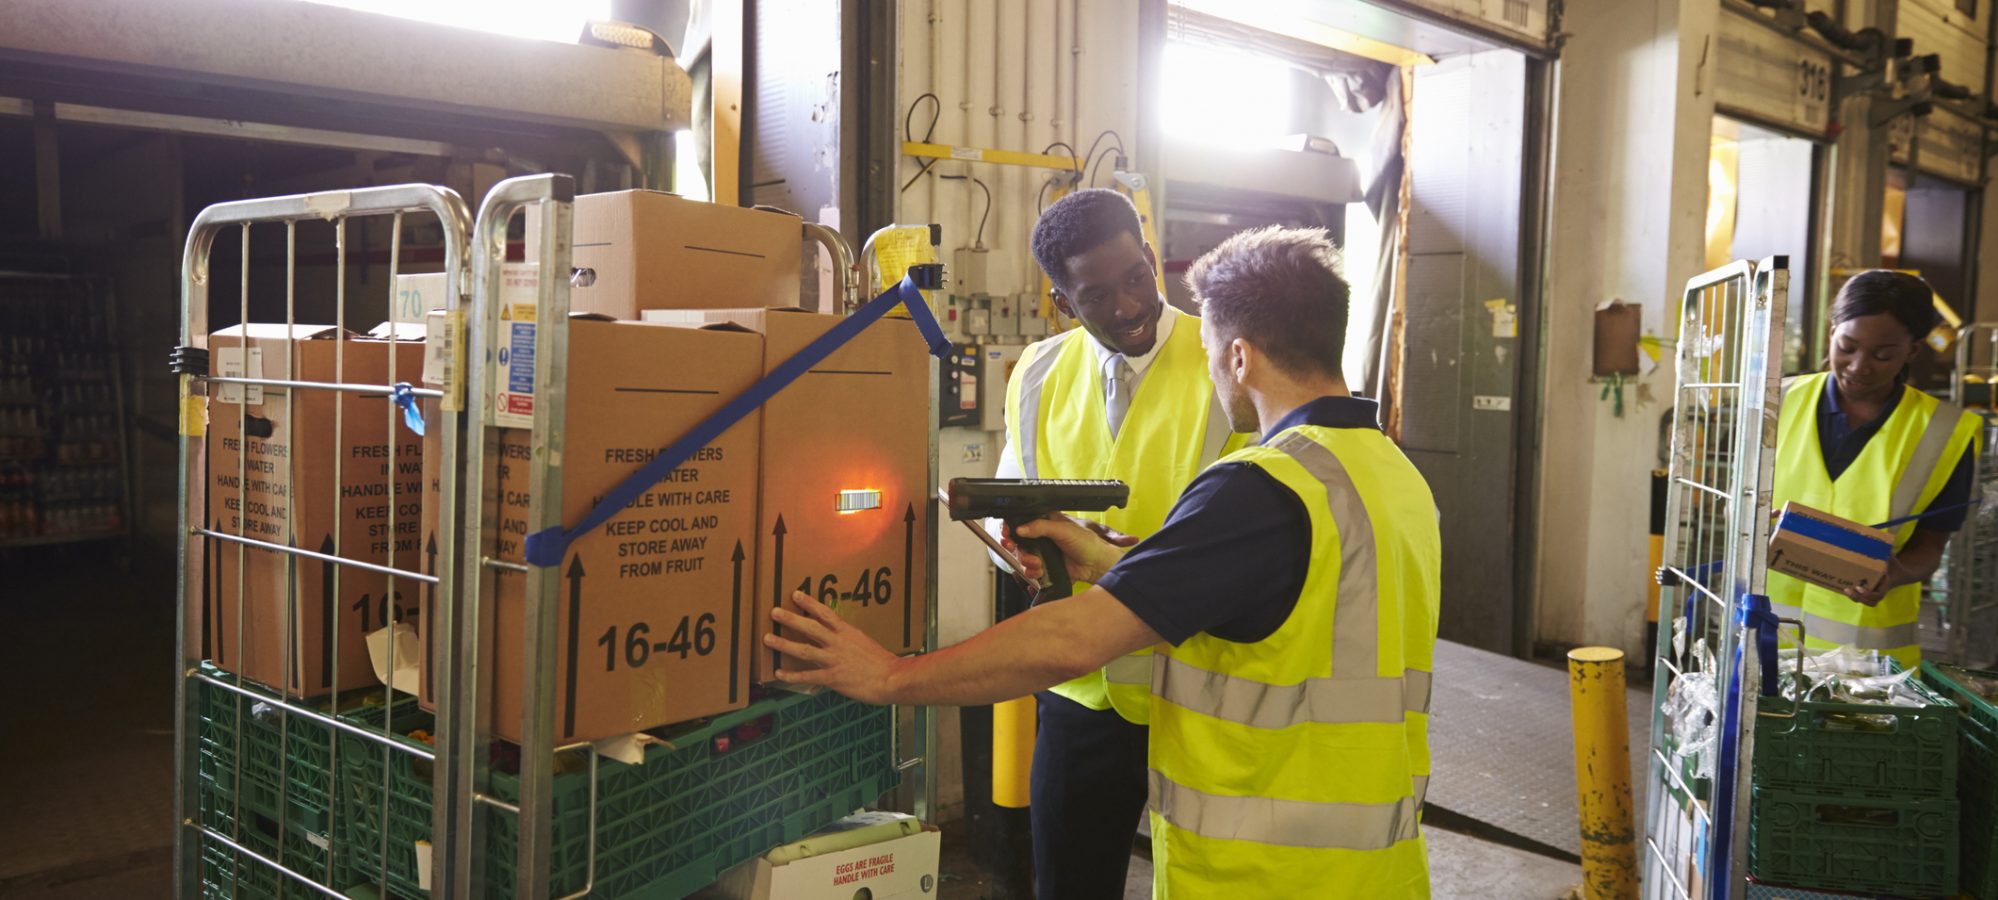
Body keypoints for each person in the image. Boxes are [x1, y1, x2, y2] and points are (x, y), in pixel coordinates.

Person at [768, 226, 1440, 898]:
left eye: (1207, 351)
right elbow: (1289, 593)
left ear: (1239, 357)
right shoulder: (1390, 476)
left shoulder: (1263, 485)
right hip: (1377, 871)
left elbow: (1070, 640)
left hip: (1270, 876)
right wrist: (1103, 558)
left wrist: (888, 675)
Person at [994, 188, 1250, 897]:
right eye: (1098, 294)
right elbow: (1009, 499)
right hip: (1082, 691)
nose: (1130, 306)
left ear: (1151, 254)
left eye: (1137, 276)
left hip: (1201, 685)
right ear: (1063, 300)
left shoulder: (1230, 363)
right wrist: (1014, 540)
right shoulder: (1038, 375)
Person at [1770, 269, 1982, 668]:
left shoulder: (1946, 431)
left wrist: (1895, 573)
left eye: (1883, 355)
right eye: (1847, 346)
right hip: (1763, 641)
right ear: (1831, 331)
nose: (1859, 366)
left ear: (1913, 351)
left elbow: (1931, 548)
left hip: (1868, 664)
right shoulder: (1777, 402)